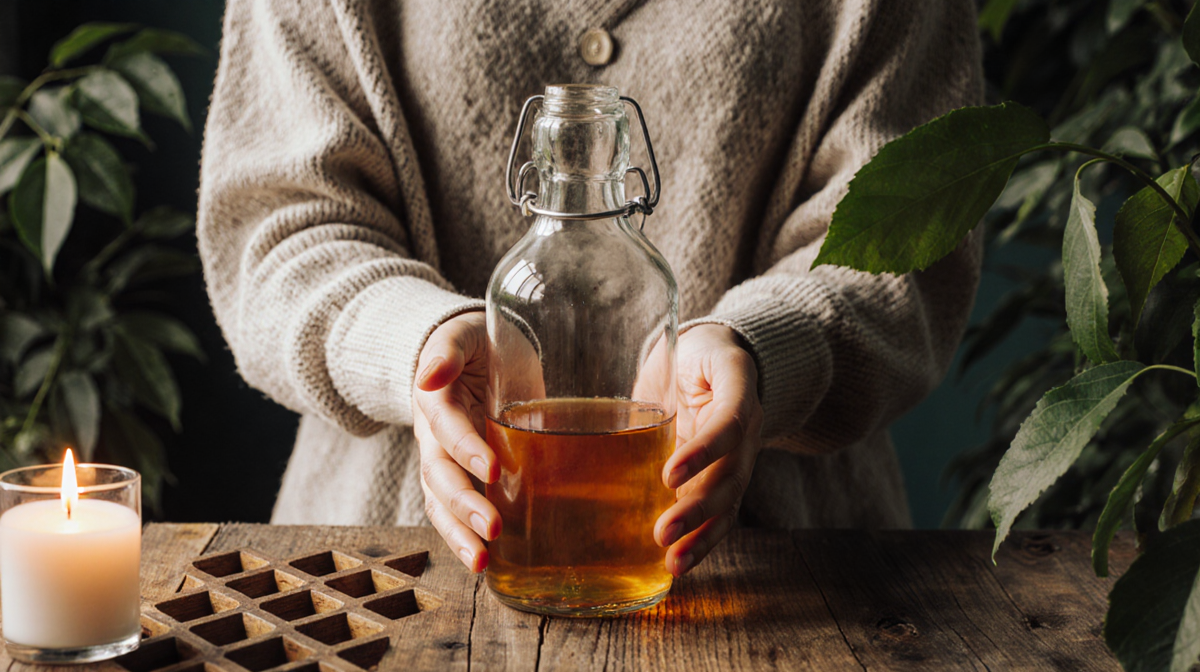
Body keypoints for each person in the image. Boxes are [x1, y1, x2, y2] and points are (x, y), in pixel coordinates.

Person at [197, 0, 984, 576]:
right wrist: (413, 345)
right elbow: (276, 223)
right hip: (385, 568)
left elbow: (917, 233)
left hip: (797, 579)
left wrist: (763, 350)